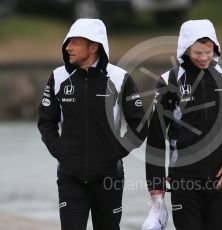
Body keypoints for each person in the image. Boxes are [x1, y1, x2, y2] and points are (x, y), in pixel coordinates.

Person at [145, 19, 222, 229]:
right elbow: (156, 135)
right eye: (198, 53)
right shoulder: (170, 80)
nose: (204, 57)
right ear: (185, 50)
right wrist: (155, 185)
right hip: (183, 181)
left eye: (209, 51)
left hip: (221, 180)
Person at [37, 18, 147, 230]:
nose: (67, 47)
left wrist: (115, 151)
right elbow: (46, 122)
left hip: (109, 177)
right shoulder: (58, 77)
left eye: (75, 42)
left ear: (94, 46)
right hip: (70, 177)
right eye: (68, 42)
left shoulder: (119, 78)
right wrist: (61, 151)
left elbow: (139, 124)